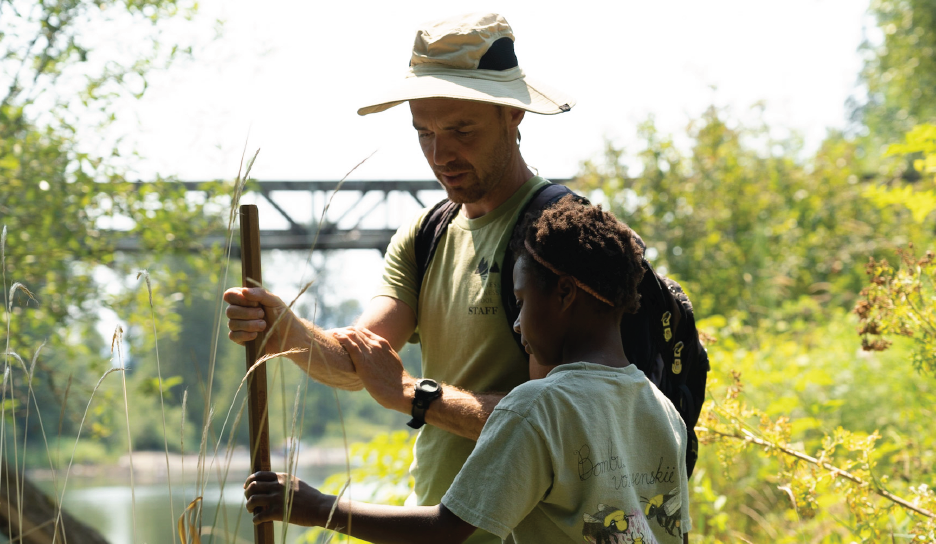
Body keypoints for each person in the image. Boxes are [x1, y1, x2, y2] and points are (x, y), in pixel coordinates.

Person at [225, 13, 576, 544]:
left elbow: (558, 427)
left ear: (511, 113)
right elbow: (359, 363)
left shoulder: (563, 236)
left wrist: (415, 395)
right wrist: (285, 329)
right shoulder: (426, 234)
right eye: (424, 133)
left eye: (461, 130)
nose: (440, 155)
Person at [243, 196, 692, 544]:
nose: (516, 322)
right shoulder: (662, 408)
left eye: (521, 301)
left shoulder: (538, 406)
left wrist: (318, 506)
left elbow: (445, 530)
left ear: (566, 293)